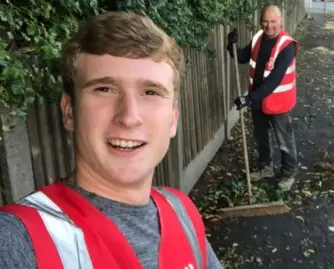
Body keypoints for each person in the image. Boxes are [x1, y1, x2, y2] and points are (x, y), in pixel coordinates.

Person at [0, 11, 223, 269]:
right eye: (104, 89)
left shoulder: (182, 212)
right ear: (69, 111)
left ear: (173, 118)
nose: (129, 117)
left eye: (150, 92)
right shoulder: (19, 241)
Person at [227, 5, 299, 191]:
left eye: (273, 21)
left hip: (278, 102)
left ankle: (288, 173)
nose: (269, 26)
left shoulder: (287, 46)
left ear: (280, 21)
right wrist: (231, 45)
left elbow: (275, 80)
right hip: (259, 100)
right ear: (261, 22)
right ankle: (266, 168)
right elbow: (241, 57)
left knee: (284, 140)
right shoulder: (259, 38)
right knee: (261, 137)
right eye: (265, 22)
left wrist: (249, 99)